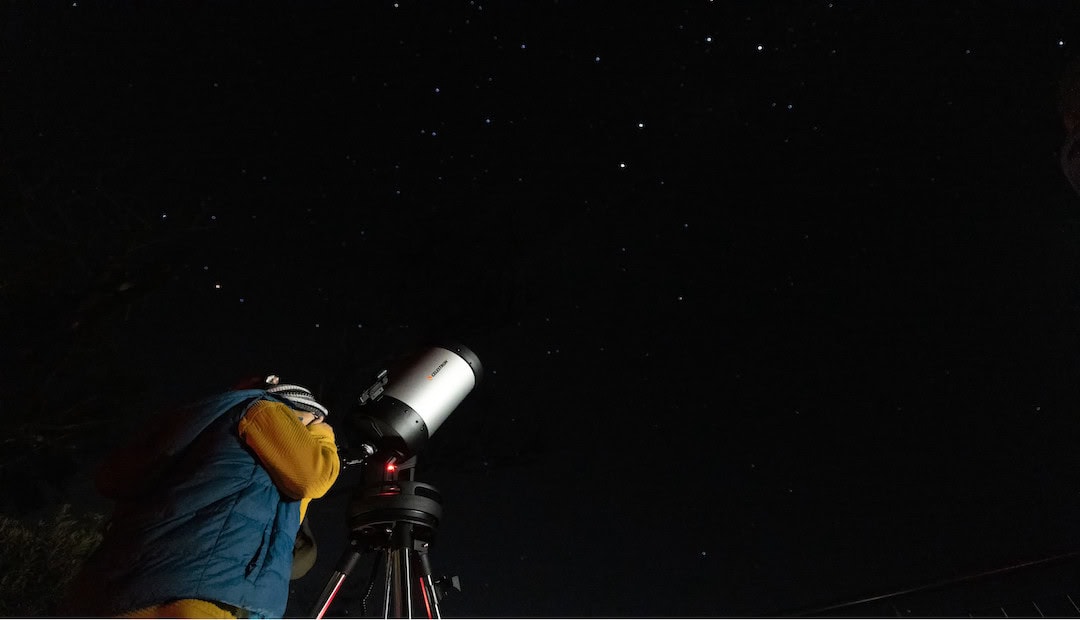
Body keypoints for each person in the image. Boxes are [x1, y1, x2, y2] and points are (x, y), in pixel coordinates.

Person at [60, 375, 341, 618]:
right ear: (295, 412)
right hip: (198, 595)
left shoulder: (207, 435)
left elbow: (288, 532)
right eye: (310, 421)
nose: (312, 430)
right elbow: (314, 477)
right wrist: (323, 436)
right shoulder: (264, 410)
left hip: (122, 592)